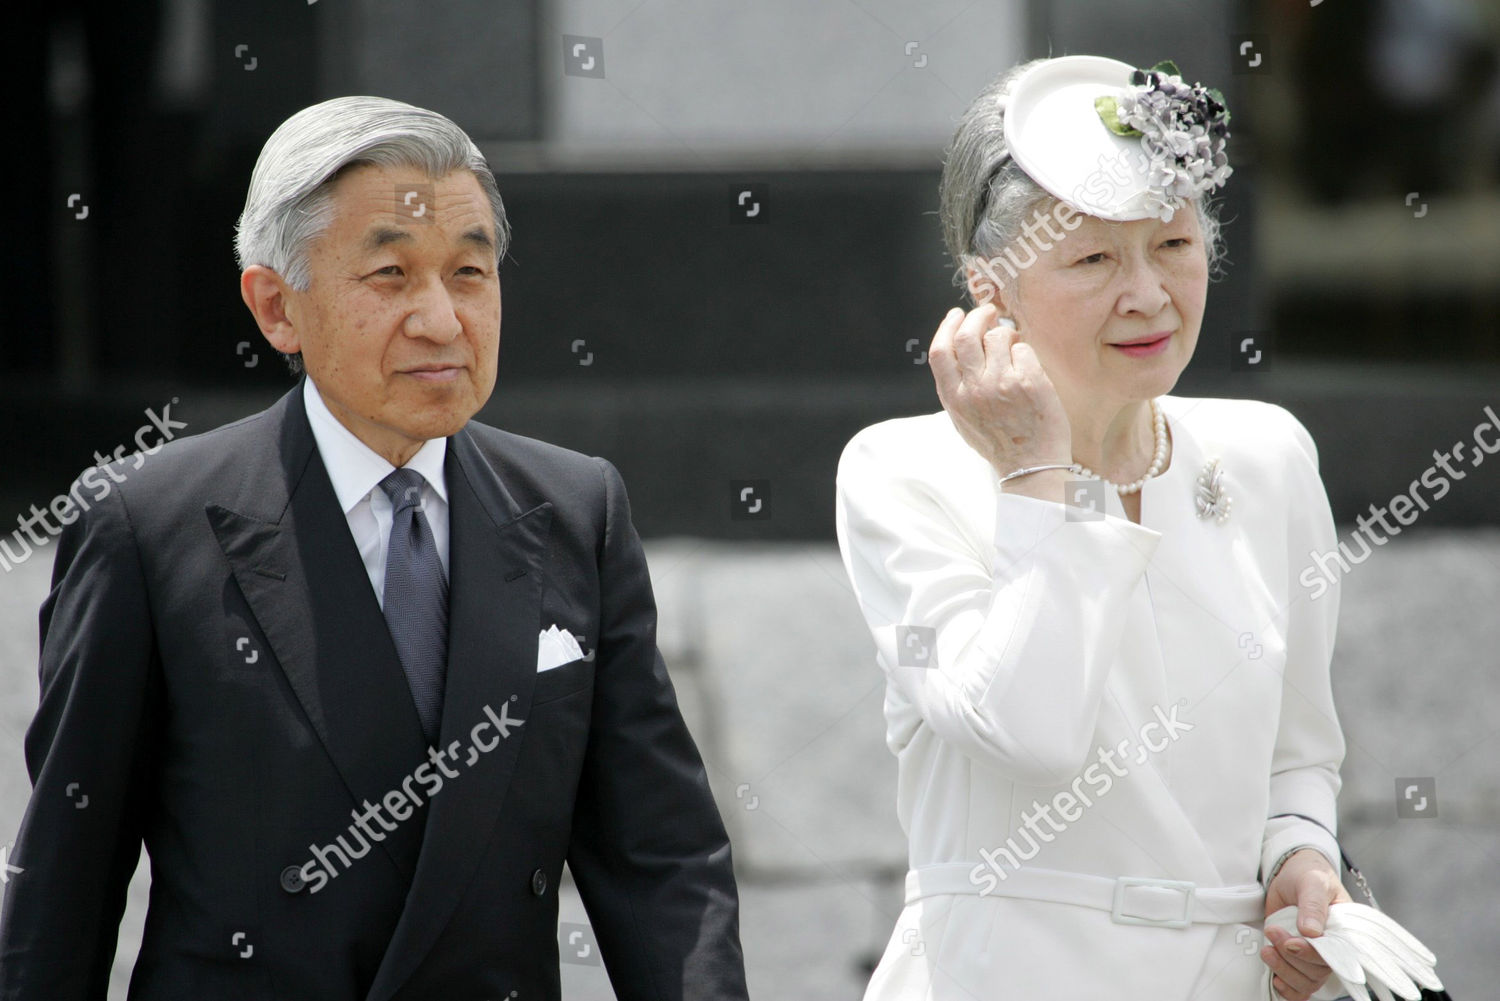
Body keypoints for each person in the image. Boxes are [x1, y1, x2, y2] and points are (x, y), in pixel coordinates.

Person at [0, 96, 749, 1001]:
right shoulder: (151, 527)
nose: (441, 320)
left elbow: (660, 858)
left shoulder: (575, 509)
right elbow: (65, 887)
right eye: (391, 274)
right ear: (277, 307)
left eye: (470, 271)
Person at [836, 55, 1353, 1000]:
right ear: (988, 287)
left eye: (1175, 246)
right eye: (1093, 258)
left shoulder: (1267, 455)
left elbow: (1300, 759)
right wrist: (1040, 471)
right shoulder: (902, 471)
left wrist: (1302, 863)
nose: (1150, 294)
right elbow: (1028, 728)